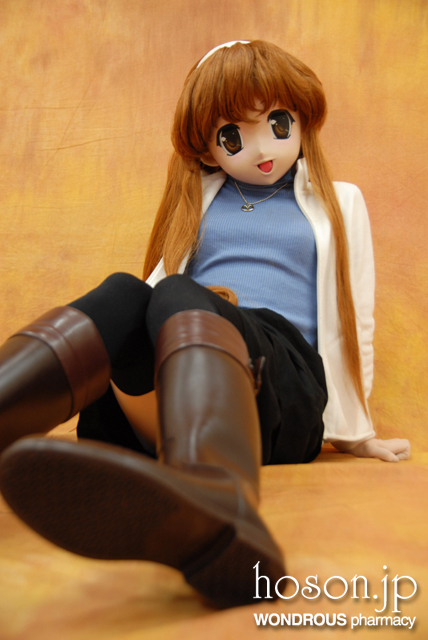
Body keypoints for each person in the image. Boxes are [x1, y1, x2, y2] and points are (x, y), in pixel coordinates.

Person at [0, 40, 410, 609]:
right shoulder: (198, 197)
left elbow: (355, 315)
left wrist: (358, 432)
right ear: (209, 149)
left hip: (279, 389)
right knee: (128, 290)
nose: (261, 149)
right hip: (184, 380)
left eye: (277, 123)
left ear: (302, 117)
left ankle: (222, 503)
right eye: (233, 136)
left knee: (173, 293)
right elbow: (150, 303)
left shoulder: (339, 202)